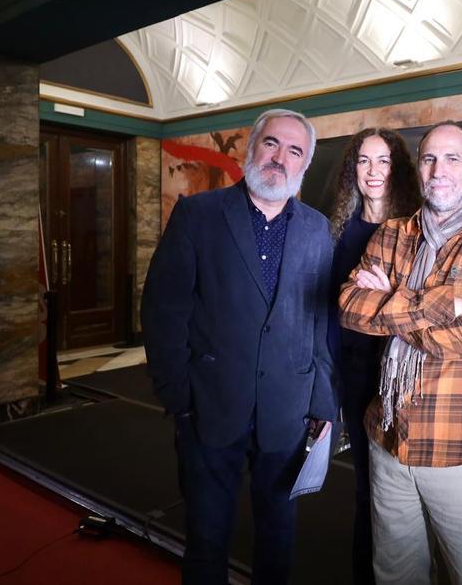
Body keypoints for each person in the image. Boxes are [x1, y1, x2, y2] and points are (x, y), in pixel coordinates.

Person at [141, 108, 338, 585]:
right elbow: (164, 309)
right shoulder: (198, 214)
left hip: (287, 415)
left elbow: (319, 320)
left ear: (305, 166)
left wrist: (322, 401)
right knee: (207, 539)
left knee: (278, 538)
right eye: (272, 144)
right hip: (210, 407)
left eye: (295, 151)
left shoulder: (316, 229)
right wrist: (179, 396)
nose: (280, 158)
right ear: (252, 149)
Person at [338, 120, 462, 585]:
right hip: (387, 440)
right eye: (429, 159)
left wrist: (393, 304)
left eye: (452, 159)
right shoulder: (390, 235)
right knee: (396, 576)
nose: (439, 170)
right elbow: (349, 307)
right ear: (418, 168)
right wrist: (447, 305)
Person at [326, 127, 422, 584]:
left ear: (397, 167)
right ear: (353, 170)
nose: (373, 171)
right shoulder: (339, 229)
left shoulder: (418, 229)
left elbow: (425, 303)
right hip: (351, 371)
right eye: (364, 161)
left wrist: (388, 296)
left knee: (399, 486)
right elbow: (331, 304)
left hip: (401, 374)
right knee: (366, 483)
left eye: (383, 161)